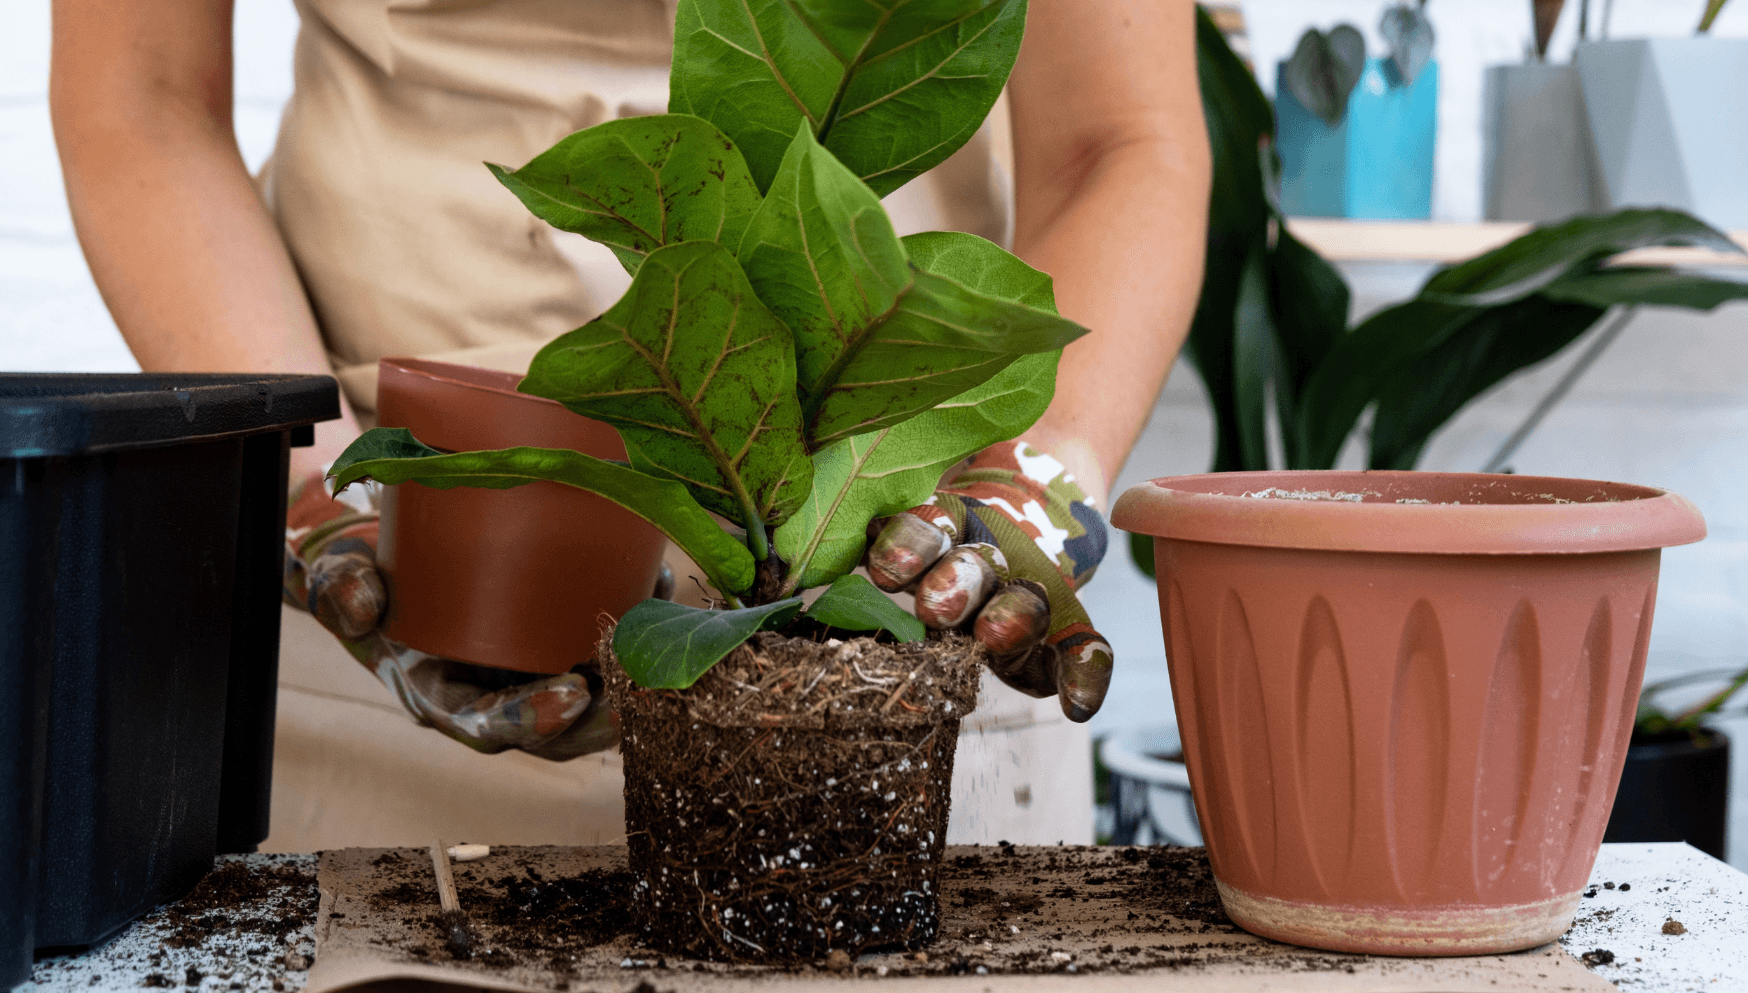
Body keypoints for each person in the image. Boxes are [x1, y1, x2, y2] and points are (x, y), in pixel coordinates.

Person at [51, 0, 1210, 848]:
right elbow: (142, 93)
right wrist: (309, 490)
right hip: (386, 591)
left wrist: (1029, 480)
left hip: (894, 637)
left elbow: (1120, 139)